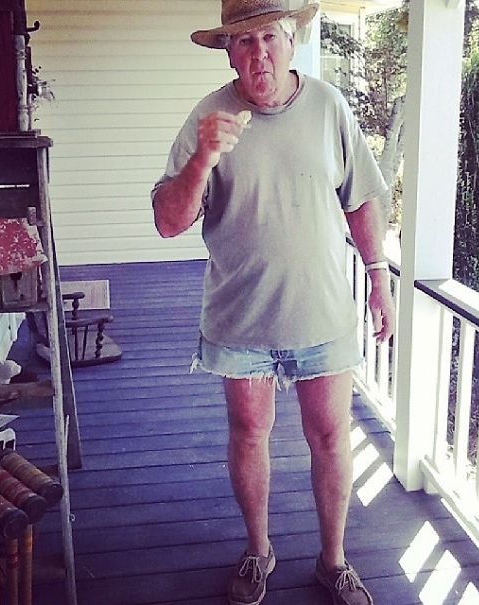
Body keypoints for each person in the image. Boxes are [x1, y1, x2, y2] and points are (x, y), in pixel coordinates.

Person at [151, 2, 395, 604]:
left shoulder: (329, 107)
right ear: (228, 53)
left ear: (292, 40)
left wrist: (379, 275)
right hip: (240, 319)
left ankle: (333, 561)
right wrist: (204, 159)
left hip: (322, 312)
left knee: (331, 437)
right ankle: (258, 550)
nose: (258, 53)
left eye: (269, 37)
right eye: (244, 42)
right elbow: (168, 221)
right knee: (248, 434)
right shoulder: (208, 116)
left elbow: (362, 199)